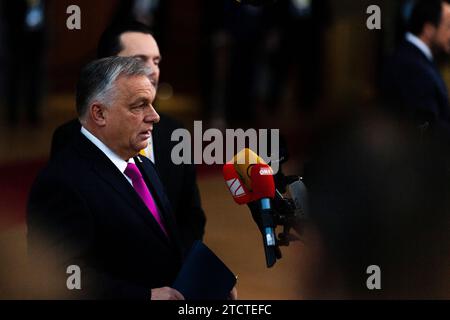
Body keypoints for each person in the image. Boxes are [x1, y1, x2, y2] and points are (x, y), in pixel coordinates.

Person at [28, 57, 187, 299]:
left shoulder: (141, 163)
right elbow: (62, 277)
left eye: (152, 104)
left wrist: (206, 282)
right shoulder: (60, 183)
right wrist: (144, 297)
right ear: (99, 113)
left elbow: (164, 244)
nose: (154, 116)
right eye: (139, 105)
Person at [50, 20, 205, 252]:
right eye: (139, 61)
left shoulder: (175, 133)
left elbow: (190, 217)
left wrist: (185, 277)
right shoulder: (72, 137)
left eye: (156, 61)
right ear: (106, 67)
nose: (152, 70)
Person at [382, 0, 450, 137]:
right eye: (449, 26)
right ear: (429, 29)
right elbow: (426, 129)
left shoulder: (413, 57)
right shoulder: (413, 68)